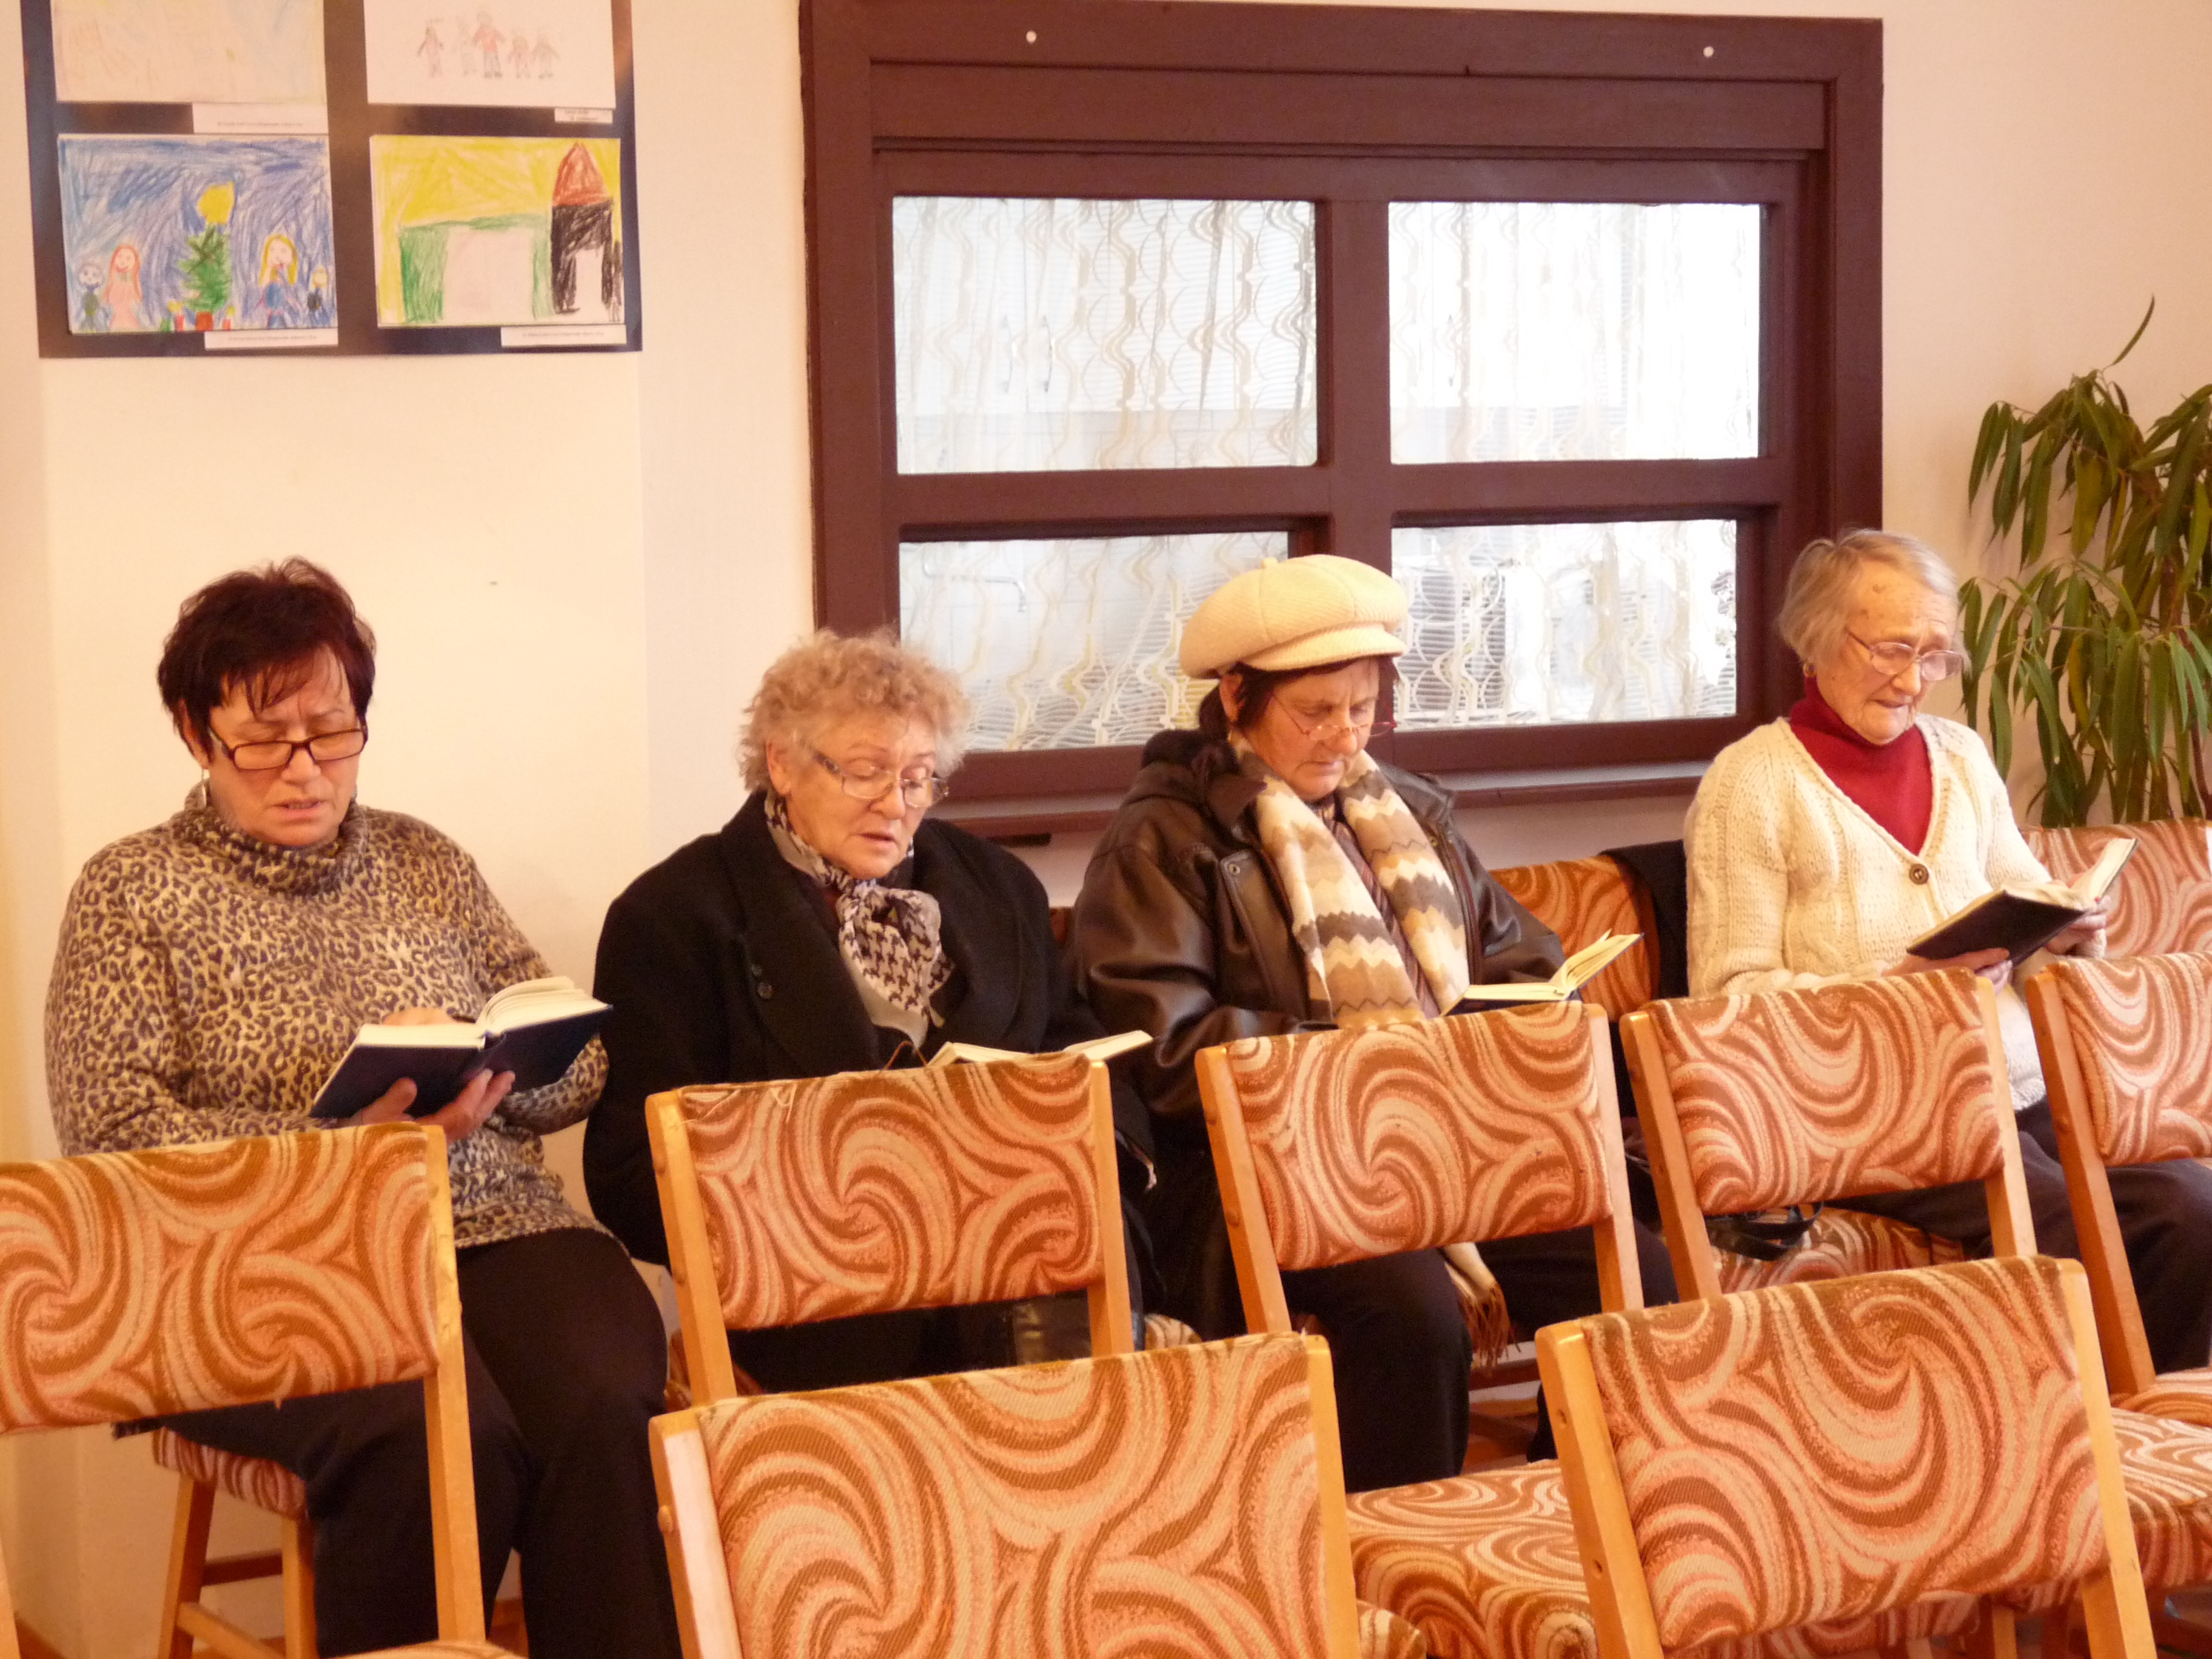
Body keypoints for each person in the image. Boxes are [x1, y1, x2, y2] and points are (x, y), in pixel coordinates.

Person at [44, 561, 679, 1659]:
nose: (305, 768)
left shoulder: (426, 861)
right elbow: (110, 1131)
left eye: (331, 733)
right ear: (196, 734)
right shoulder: (131, 889)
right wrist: (339, 1154)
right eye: (264, 740)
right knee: (441, 1440)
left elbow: (576, 1069)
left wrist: (495, 1068)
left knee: (600, 1407)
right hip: (258, 1256)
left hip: (492, 1224)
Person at [1068, 555, 1677, 1492]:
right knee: (1414, 1317)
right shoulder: (1163, 838)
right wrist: (1355, 1065)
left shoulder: (1407, 813)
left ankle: (1569, 1517)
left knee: (1637, 1279)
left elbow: (1518, 958)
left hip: (1448, 1147)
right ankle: (1387, 1550)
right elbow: (1163, 1049)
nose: (1346, 736)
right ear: (1235, 697)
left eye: (1363, 708)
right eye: (1316, 711)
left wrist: (1523, 1018)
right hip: (1272, 1173)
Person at [1687, 528, 2212, 1372]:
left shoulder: (1961, 757)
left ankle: (2154, 1427)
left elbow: (2026, 901)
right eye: (1892, 650)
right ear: (1815, 642)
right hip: (1874, 1114)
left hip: (2019, 1092)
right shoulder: (1751, 783)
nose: (1914, 680)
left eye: (1935, 655)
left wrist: (2069, 931)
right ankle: (2071, 1429)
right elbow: (1725, 999)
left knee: (2192, 1207)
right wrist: (1897, 984)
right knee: (2068, 1226)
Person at [588, 628, 1155, 1389]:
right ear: (782, 764)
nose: (895, 804)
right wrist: (835, 1186)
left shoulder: (998, 888)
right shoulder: (673, 917)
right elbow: (630, 1169)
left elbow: (1088, 1058)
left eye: (918, 778)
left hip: (1022, 1271)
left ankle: (1082, 1434)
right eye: (865, 773)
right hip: (824, 1302)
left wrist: (1063, 1140)